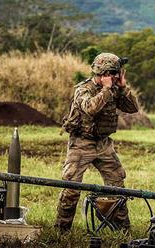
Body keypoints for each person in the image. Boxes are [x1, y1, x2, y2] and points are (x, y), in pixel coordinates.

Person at [55, 52, 139, 233]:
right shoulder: (83, 89)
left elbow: (133, 108)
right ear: (103, 73)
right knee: (71, 188)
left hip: (103, 144)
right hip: (81, 143)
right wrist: (106, 89)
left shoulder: (115, 89)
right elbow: (91, 109)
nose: (116, 76)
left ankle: (123, 230)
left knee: (117, 186)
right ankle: (61, 231)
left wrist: (123, 88)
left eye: (117, 73)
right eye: (113, 73)